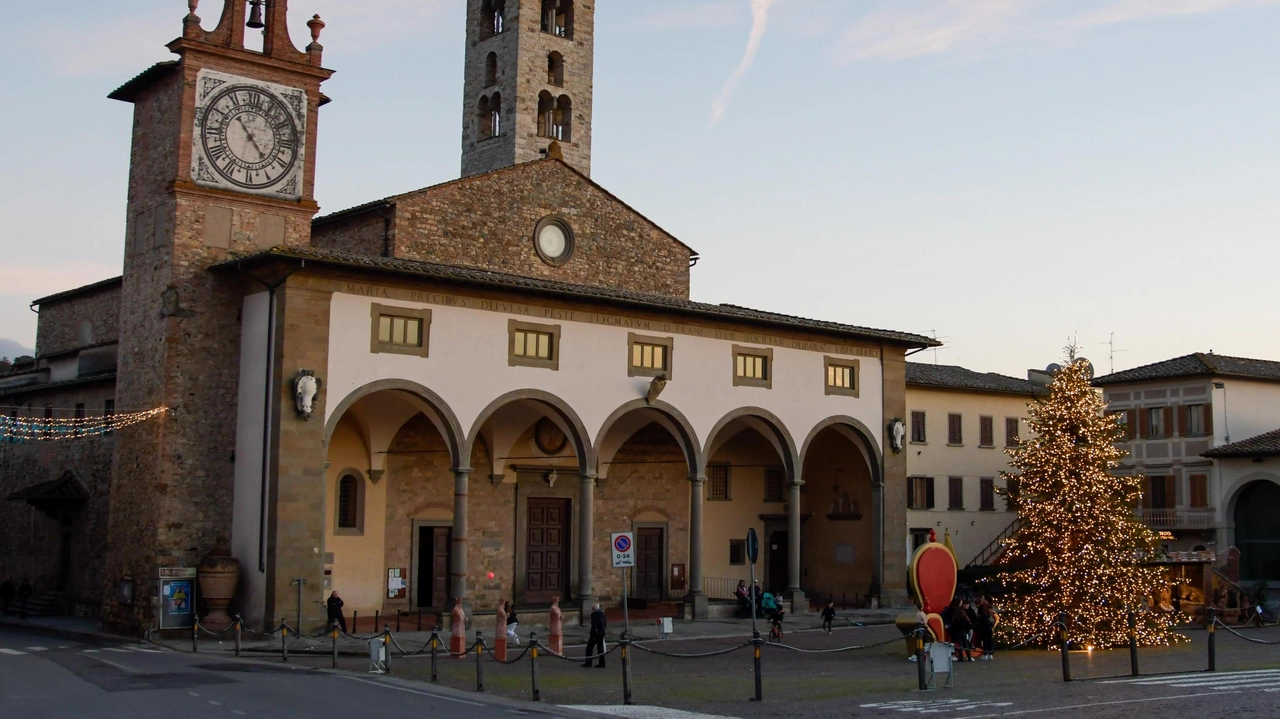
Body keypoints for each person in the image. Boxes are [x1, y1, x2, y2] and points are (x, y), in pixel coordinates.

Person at [583, 602, 606, 668]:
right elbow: (604, 624)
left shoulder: (594, 615)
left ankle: (588, 663)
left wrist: (592, 634)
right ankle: (602, 663)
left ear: (593, 608)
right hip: (601, 633)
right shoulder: (603, 614)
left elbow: (594, 626)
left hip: (595, 634)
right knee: (600, 649)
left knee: (589, 648)